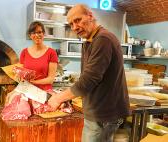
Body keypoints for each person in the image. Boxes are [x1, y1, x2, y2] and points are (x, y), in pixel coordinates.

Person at [48, 4, 130, 142]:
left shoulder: (103, 39)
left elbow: (89, 79)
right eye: (71, 24)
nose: (74, 27)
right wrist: (69, 96)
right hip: (96, 110)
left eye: (78, 20)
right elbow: (88, 77)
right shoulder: (90, 41)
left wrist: (58, 98)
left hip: (103, 113)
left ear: (90, 16)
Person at [19, 21, 58, 90]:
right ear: (30, 35)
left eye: (39, 32)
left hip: (44, 92)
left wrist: (34, 82)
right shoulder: (24, 52)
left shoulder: (51, 52)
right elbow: (22, 74)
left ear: (43, 34)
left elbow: (51, 79)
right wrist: (19, 76)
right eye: (33, 33)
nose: (37, 35)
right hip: (27, 90)